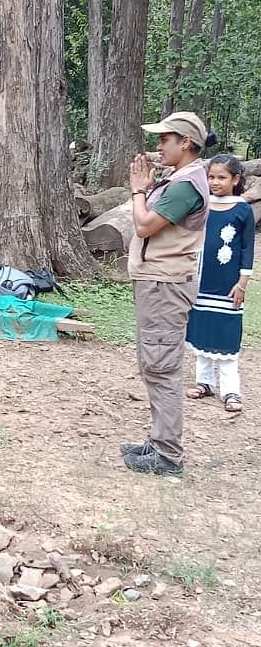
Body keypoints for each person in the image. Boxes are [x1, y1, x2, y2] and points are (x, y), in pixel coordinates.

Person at [121, 111, 214, 476]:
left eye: (165, 139)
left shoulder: (186, 185)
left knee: (161, 366)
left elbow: (144, 225)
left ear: (185, 143)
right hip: (158, 281)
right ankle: (159, 441)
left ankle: (168, 455)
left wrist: (138, 190)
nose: (159, 146)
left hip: (165, 284)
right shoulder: (180, 179)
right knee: (155, 364)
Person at [185, 154, 254, 413]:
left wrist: (242, 283)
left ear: (235, 179)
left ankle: (231, 390)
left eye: (221, 177)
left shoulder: (243, 210)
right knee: (201, 330)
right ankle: (204, 382)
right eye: (211, 177)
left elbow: (247, 249)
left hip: (228, 286)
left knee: (226, 335)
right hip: (202, 282)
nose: (215, 182)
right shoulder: (203, 206)